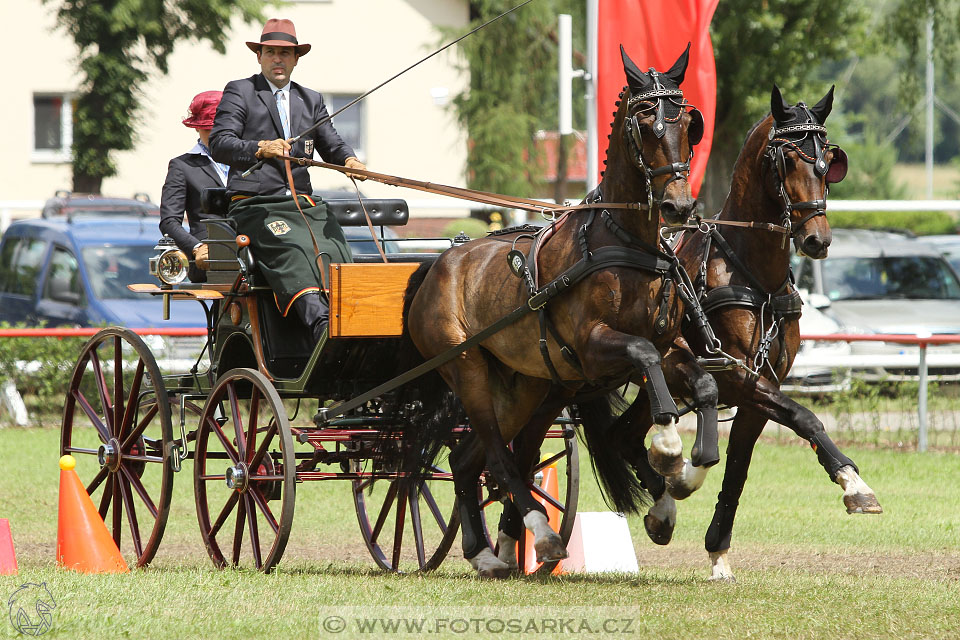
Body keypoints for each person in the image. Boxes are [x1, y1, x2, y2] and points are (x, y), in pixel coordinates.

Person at [210, 18, 366, 341]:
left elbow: (331, 143)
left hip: (302, 205)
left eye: (285, 53)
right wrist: (259, 148)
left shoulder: (311, 100)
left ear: (296, 59)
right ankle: (322, 325)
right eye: (271, 53)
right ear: (259, 57)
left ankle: (355, 320)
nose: (278, 59)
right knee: (292, 249)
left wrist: (349, 160)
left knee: (336, 245)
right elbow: (220, 143)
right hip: (255, 206)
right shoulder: (241, 91)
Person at [160, 90, 230, 282]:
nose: (215, 135)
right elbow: (169, 222)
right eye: (209, 128)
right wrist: (197, 247)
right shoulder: (182, 166)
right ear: (197, 128)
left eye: (221, 129)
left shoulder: (246, 160)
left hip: (250, 257)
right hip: (207, 261)